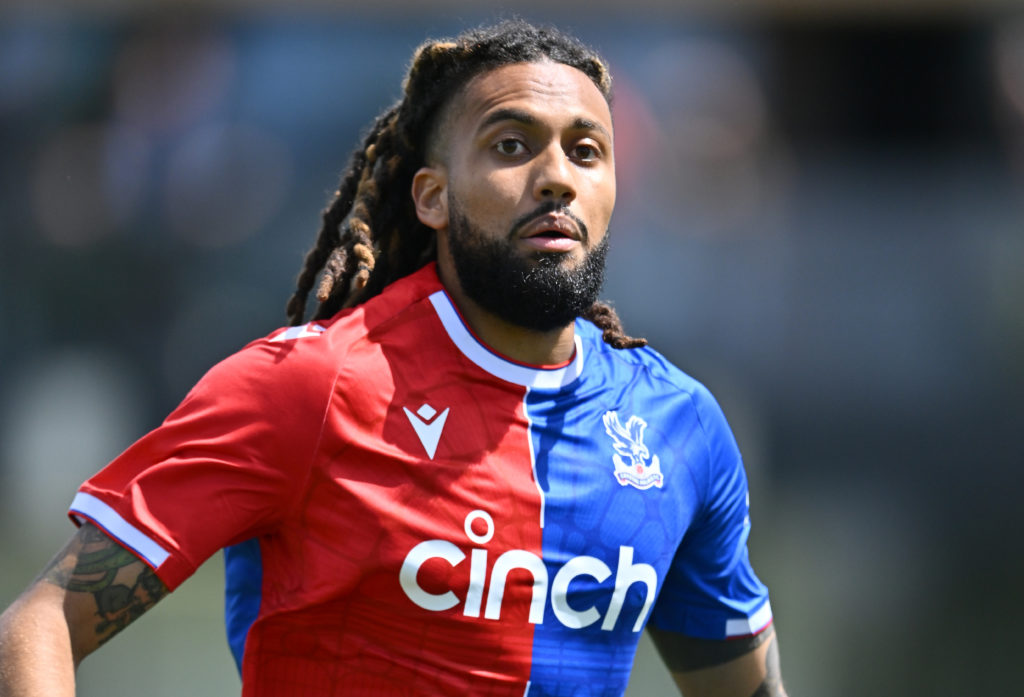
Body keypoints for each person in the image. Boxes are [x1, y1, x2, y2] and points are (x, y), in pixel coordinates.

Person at [0, 19, 787, 697]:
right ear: (431, 196)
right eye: (512, 145)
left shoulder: (679, 427)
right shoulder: (309, 386)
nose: (556, 177)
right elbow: (41, 624)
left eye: (587, 152)